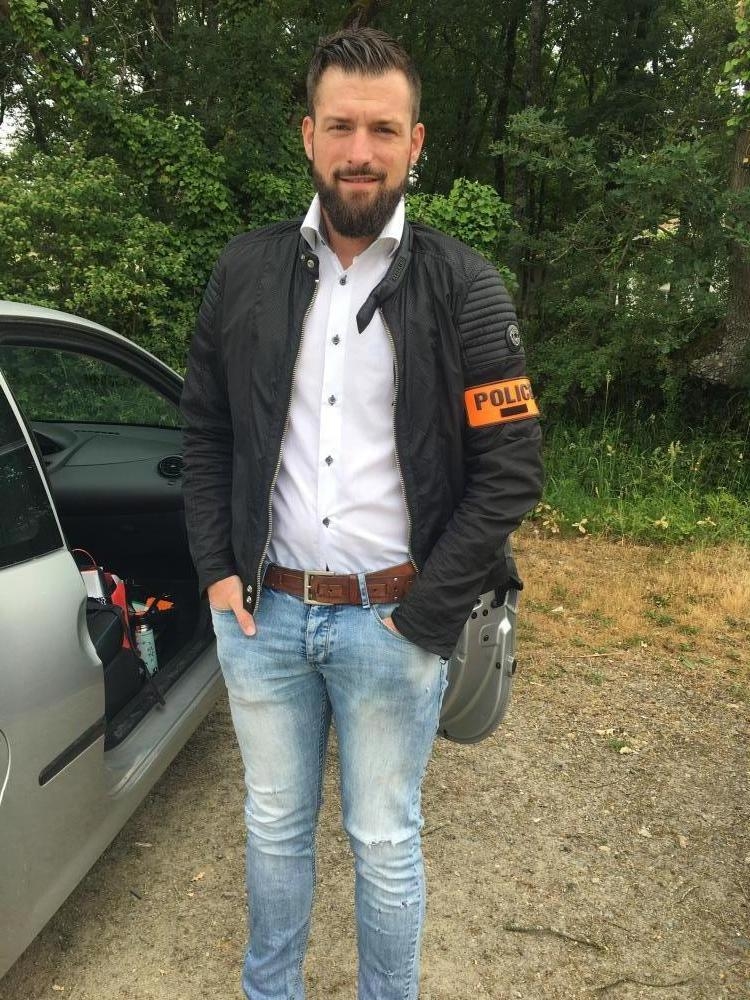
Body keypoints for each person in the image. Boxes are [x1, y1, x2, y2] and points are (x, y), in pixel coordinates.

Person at [180, 27, 543, 1000]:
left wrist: (428, 616)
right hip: (262, 618)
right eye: (340, 126)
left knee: (384, 841)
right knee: (272, 828)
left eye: (383, 129)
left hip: (395, 620)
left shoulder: (465, 285)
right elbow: (206, 430)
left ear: (415, 142)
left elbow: (512, 466)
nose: (360, 151)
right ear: (308, 134)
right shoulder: (243, 271)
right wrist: (217, 569)